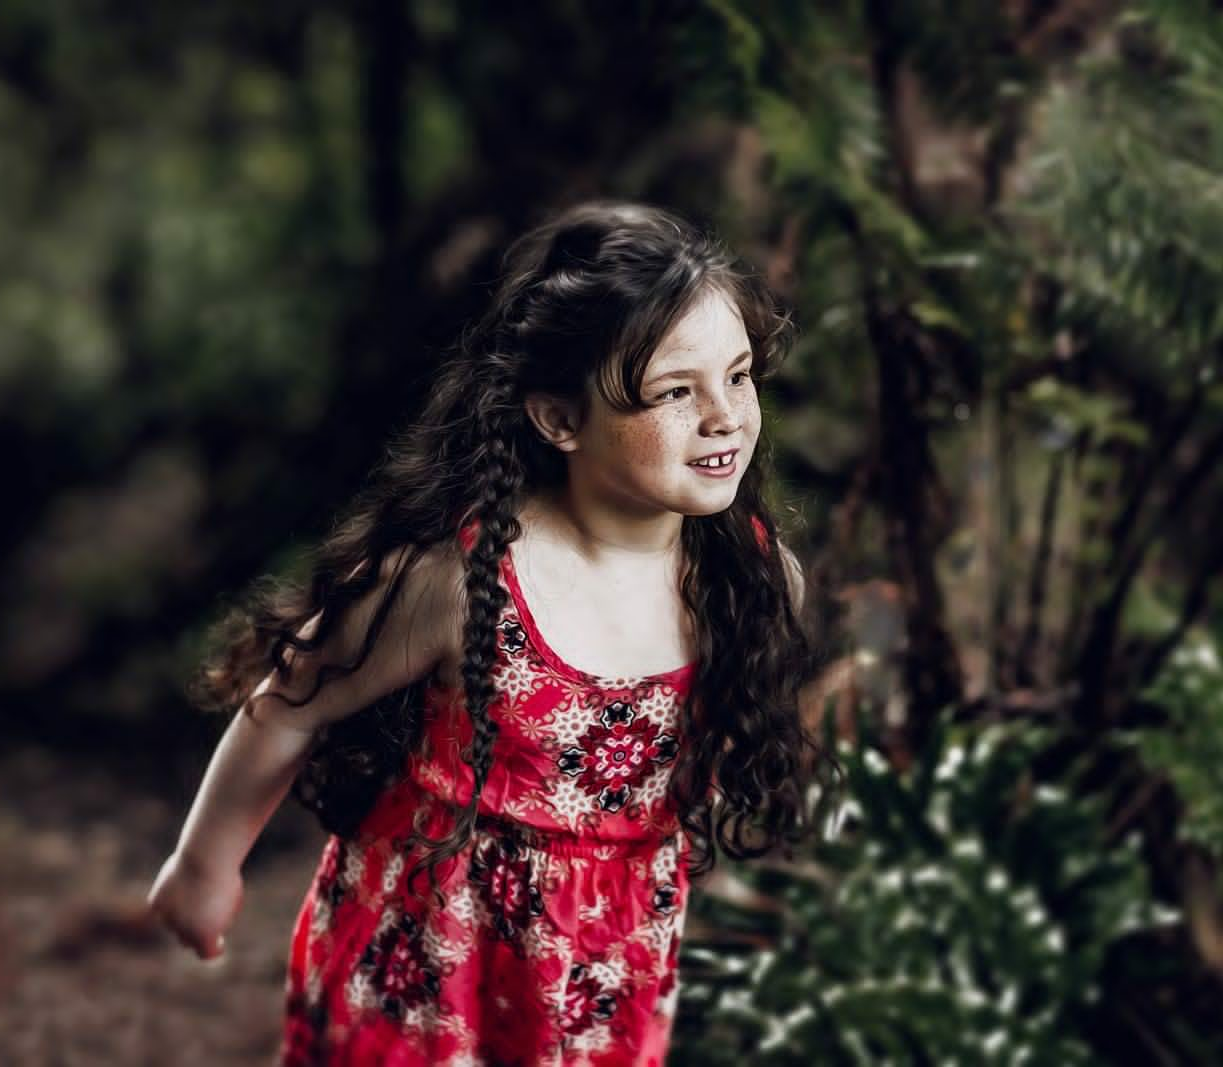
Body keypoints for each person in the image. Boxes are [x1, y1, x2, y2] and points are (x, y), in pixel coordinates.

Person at [147, 200, 839, 1066]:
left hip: (601, 974)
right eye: (674, 391)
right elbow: (291, 699)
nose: (725, 416)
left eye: (738, 377)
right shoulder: (462, 582)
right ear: (559, 419)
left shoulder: (751, 579)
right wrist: (205, 865)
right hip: (425, 959)